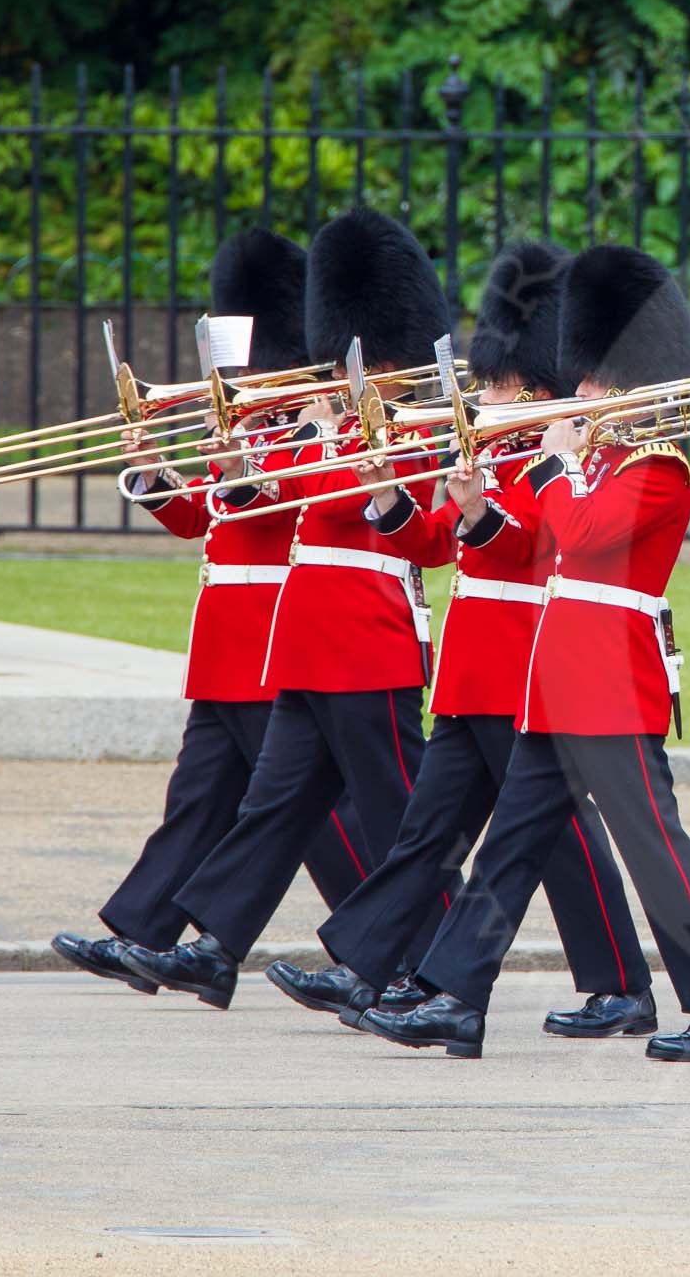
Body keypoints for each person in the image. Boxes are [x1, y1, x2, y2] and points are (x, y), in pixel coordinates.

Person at [360, 243, 690, 1061]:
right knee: (507, 849)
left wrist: (552, 458)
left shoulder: (660, 468)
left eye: (594, 383)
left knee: (654, 849)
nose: (579, 394)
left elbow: (578, 535)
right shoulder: (603, 461)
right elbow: (550, 534)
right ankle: (455, 996)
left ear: (627, 386)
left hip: (611, 683)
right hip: (557, 681)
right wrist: (491, 495)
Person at [260, 241, 654, 1037]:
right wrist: (389, 498)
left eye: (502, 385)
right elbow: (438, 542)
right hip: (474, 664)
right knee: (426, 832)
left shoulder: (558, 455)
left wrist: (487, 505)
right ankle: (377, 966)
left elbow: (535, 544)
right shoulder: (499, 451)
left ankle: (620, 982)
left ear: (535, 387)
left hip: (526, 662)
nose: (490, 396)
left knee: (561, 837)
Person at [120, 208, 452, 1007]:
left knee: (399, 814)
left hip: (370, 639)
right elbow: (262, 498)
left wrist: (324, 433)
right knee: (271, 809)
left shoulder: (404, 424)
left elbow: (337, 500)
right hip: (305, 640)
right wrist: (231, 457)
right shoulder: (321, 423)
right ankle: (215, 945)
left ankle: (436, 959)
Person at [50, 228, 366, 993]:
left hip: (267, 635)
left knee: (306, 815)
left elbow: (274, 508)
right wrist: (156, 473)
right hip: (224, 639)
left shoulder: (302, 428)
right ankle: (148, 928)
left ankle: (385, 942)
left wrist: (240, 464)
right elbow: (204, 519)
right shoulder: (253, 425)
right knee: (201, 797)